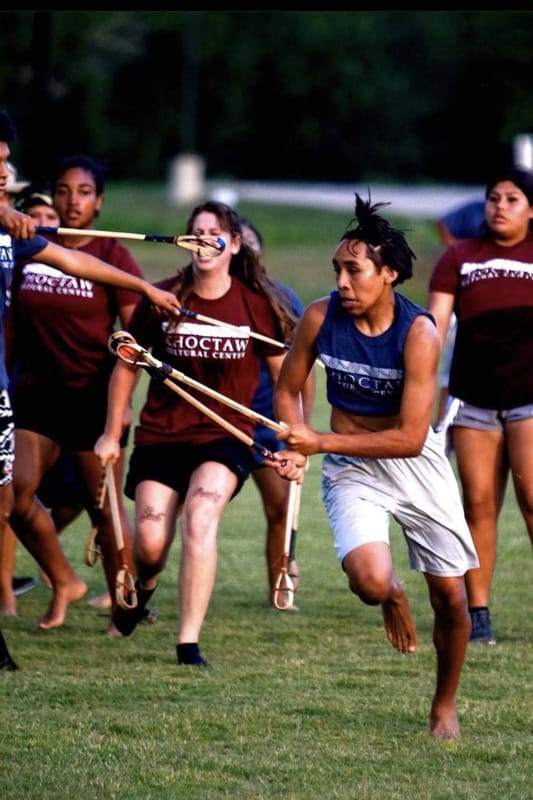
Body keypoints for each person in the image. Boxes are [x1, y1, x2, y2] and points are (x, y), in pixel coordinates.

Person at [273, 192, 479, 740]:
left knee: (453, 599)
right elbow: (287, 390)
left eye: (354, 270)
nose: (342, 281)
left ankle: (444, 704)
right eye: (338, 269)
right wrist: (298, 441)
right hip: (350, 464)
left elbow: (413, 438)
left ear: (388, 274)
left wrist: (314, 439)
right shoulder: (319, 317)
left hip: (415, 464)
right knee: (368, 581)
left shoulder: (420, 333)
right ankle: (391, 594)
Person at [95, 200, 304, 667]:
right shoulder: (164, 298)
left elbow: (285, 378)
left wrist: (295, 440)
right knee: (149, 543)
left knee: (200, 517)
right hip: (162, 435)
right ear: (184, 241)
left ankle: (187, 643)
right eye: (195, 231)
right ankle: (145, 586)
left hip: (224, 436)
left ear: (232, 244)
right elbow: (126, 366)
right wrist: (112, 432)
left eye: (215, 232)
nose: (203, 239)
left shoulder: (257, 305)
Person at [0, 109, 181, 639]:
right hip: (33, 394)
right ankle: (63, 580)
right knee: (17, 495)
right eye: (63, 190)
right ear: (53, 195)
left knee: (104, 512)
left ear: (98, 200)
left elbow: (129, 330)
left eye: (83, 192)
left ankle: (126, 609)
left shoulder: (106, 251)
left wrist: (147, 293)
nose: (72, 200)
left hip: (89, 399)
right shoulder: (20, 233)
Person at [427, 166, 533, 646]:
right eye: (494, 198)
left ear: (531, 208)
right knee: (478, 504)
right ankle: (479, 611)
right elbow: (433, 329)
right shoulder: (459, 256)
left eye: (512, 199)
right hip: (472, 400)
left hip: (528, 399)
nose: (501, 206)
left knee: (532, 499)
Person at [239, 216, 315, 607]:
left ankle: (279, 588)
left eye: (250, 242)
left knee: (281, 508)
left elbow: (305, 369)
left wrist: (300, 432)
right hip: (215, 423)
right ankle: (141, 579)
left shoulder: (282, 298)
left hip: (268, 425)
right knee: (174, 504)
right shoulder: (204, 294)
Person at [433, 199, 486, 431]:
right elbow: (442, 222)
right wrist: (454, 247)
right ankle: (442, 427)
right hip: (464, 312)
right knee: (451, 366)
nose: (501, 206)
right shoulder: (475, 208)